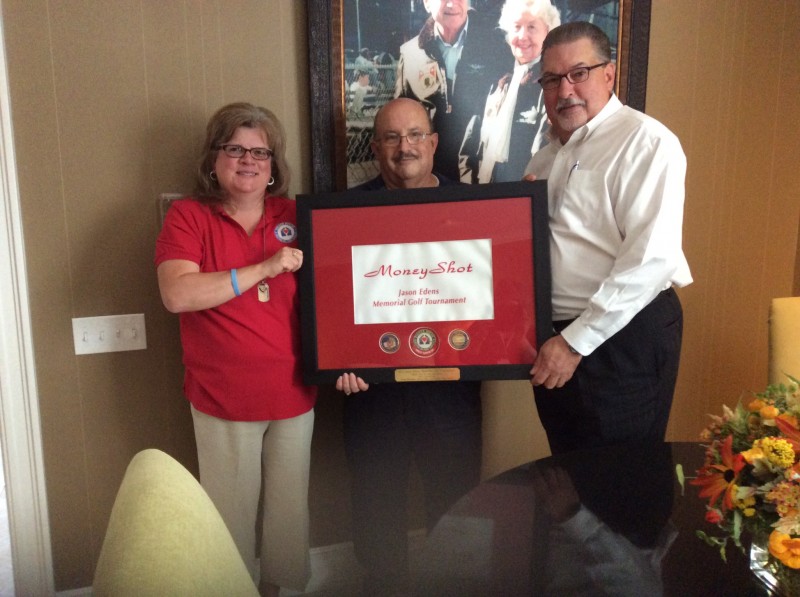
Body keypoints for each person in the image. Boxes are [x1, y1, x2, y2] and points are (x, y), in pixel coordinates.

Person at [155, 102, 316, 596]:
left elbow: (340, 291)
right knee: (229, 515)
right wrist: (264, 269)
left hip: (295, 392)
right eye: (235, 149)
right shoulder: (188, 216)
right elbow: (178, 294)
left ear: (274, 165)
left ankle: (281, 590)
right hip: (223, 397)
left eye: (260, 152)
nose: (248, 160)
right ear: (214, 158)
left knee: (290, 513)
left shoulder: (296, 215)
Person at [337, 97, 483, 596]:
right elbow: (334, 302)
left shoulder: (475, 207)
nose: (406, 148)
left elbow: (498, 293)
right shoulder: (346, 212)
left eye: (416, 135)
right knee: (376, 501)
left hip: (451, 387)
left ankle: (452, 586)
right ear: (375, 147)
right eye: (393, 138)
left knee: (456, 498)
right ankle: (383, 584)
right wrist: (337, 357)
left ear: (434, 142)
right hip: (374, 391)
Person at [525, 22, 692, 454]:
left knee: (621, 479)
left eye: (578, 73)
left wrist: (575, 341)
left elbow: (650, 259)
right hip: (555, 339)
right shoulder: (543, 160)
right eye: (551, 79)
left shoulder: (646, 142)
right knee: (568, 474)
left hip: (621, 338)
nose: (565, 91)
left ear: (609, 74)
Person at [395, 0, 512, 181]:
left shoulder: (496, 46)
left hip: (481, 173)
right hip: (430, 176)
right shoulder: (410, 54)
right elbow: (399, 119)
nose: (451, 4)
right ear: (427, 3)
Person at [462, 0, 560, 183]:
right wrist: (469, 193)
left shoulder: (551, 88)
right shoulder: (495, 81)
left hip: (520, 197)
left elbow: (542, 161)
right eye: (516, 27)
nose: (522, 36)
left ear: (547, 33)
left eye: (532, 27)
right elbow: (468, 149)